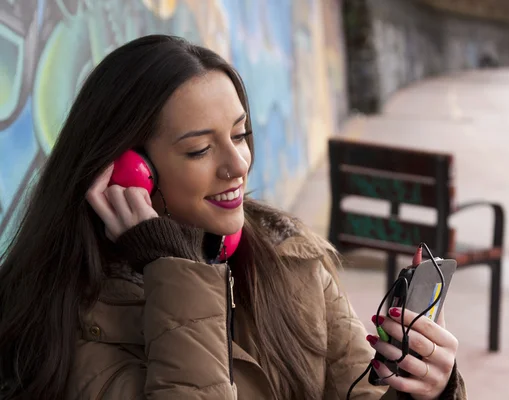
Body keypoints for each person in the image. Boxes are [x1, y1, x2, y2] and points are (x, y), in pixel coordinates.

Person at [0, 35, 466, 399]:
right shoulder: (69, 318)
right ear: (129, 171)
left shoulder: (290, 257)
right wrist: (176, 269)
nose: (238, 164)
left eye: (240, 135)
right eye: (200, 149)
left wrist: (426, 389)